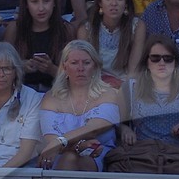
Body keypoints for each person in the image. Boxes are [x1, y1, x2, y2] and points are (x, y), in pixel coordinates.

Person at [113, 35, 179, 171]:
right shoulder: (130, 87)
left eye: (168, 59)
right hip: (141, 155)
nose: (162, 63)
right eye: (155, 58)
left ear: (175, 63)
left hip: (177, 157)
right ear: (146, 62)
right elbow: (117, 122)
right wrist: (125, 129)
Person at [37, 39, 119, 170]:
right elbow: (50, 137)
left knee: (76, 159)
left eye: (86, 63)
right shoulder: (51, 97)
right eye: (74, 63)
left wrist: (61, 141)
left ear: (95, 66)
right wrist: (79, 146)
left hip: (98, 154)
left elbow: (94, 129)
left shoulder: (108, 93)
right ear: (64, 67)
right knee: (68, 157)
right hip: (60, 154)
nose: (80, 68)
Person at [4, 0, 71, 93]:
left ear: (54, 2)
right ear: (26, 4)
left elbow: (75, 75)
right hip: (21, 92)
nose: (41, 8)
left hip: (56, 93)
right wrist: (21, 67)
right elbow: (1, 68)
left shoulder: (66, 30)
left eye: (46, 1)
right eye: (34, 2)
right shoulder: (14, 29)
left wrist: (52, 69)